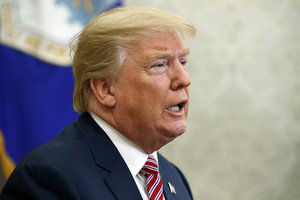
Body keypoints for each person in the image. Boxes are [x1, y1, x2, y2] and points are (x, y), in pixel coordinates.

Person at [0, 7, 196, 200]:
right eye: (160, 65)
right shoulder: (48, 178)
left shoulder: (173, 178)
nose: (184, 79)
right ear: (106, 89)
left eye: (183, 61)